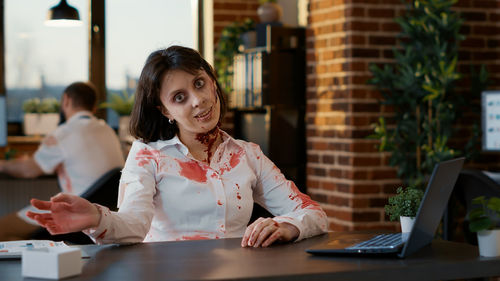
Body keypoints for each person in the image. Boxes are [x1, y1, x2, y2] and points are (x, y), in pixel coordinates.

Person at [27, 46, 328, 248]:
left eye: (199, 83)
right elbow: (133, 224)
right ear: (165, 110)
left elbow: (314, 214)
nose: (198, 100)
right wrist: (95, 217)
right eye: (179, 97)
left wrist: (289, 226)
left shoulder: (247, 154)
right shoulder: (148, 154)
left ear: (212, 82)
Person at [0, 81, 125, 240]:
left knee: (3, 230)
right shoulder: (109, 131)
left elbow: (28, 170)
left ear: (66, 100)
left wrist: (3, 165)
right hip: (104, 217)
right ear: (94, 107)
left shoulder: (63, 133)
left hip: (73, 212)